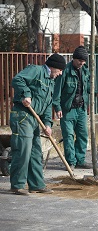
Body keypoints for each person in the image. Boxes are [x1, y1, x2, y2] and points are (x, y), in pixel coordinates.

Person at [9, 53, 66, 195]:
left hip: (35, 119)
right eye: (60, 70)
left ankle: (37, 184)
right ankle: (17, 184)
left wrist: (47, 124)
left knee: (35, 152)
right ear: (54, 67)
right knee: (23, 150)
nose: (60, 74)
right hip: (22, 116)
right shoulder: (36, 70)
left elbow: (47, 105)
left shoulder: (50, 81)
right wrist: (26, 94)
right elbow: (18, 79)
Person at [53, 46, 98, 170]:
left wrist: (97, 93)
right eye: (79, 61)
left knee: (83, 135)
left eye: (84, 61)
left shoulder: (85, 71)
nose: (81, 63)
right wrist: (57, 107)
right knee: (69, 136)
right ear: (74, 59)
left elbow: (87, 88)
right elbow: (57, 91)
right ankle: (70, 162)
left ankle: (80, 160)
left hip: (81, 109)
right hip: (67, 110)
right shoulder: (65, 71)